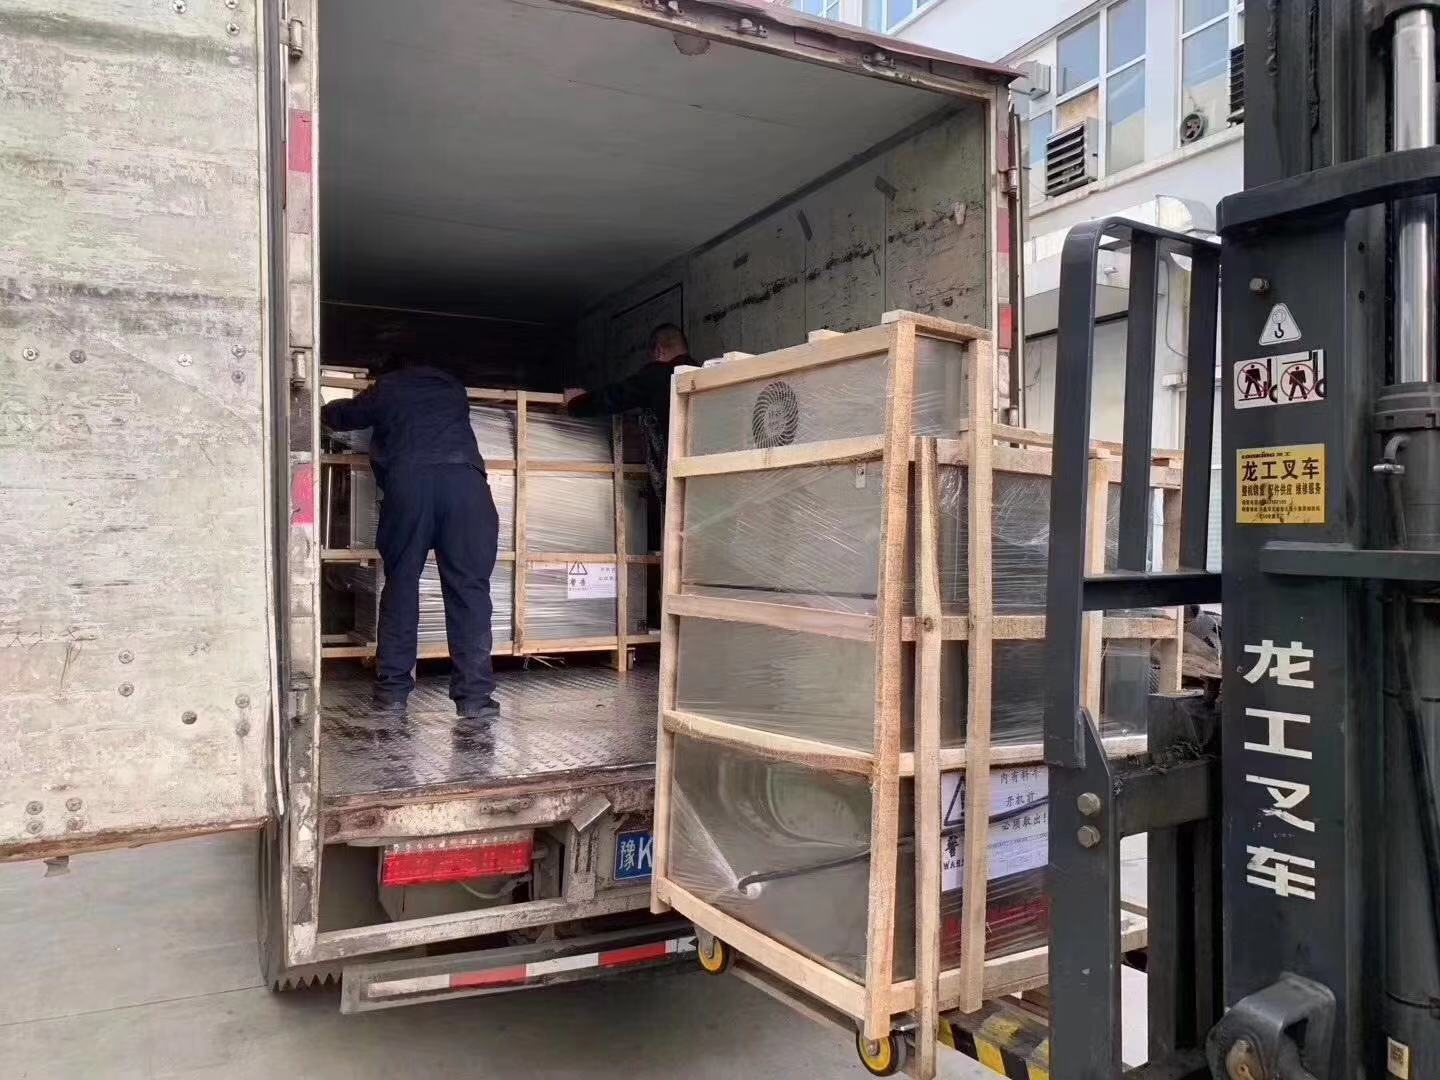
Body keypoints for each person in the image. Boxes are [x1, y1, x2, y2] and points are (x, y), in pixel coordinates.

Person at [323, 359, 500, 720]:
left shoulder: (389, 387)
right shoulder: (453, 389)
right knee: (469, 590)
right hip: (467, 488)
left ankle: (392, 694)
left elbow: (349, 415)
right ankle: (475, 700)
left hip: (411, 485)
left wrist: (323, 408)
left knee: (402, 585)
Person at [564, 323, 693, 501]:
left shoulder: (660, 375)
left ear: (659, 351)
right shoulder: (702, 376)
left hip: (673, 476)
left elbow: (617, 396)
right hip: (698, 474)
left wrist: (577, 402)